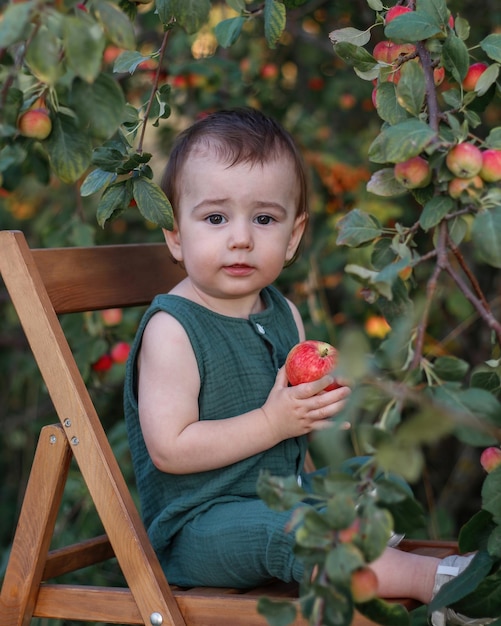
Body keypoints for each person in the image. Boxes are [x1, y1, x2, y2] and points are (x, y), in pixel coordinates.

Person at [124, 107, 489, 626]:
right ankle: (440, 585)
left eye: (265, 219)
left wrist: (316, 417)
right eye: (215, 218)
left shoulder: (283, 313)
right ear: (176, 237)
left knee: (376, 478)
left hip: (280, 499)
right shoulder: (173, 329)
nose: (242, 238)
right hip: (201, 529)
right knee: (301, 528)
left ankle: (359, 551)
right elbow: (169, 449)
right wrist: (275, 423)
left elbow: (293, 442)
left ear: (293, 237)